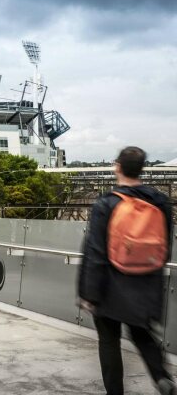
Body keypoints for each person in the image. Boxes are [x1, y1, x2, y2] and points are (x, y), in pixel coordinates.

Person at [78, 146, 176, 395]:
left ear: (117, 167)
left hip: (109, 287)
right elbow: (165, 248)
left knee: (109, 343)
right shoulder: (160, 201)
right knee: (143, 336)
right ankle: (162, 378)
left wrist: (88, 294)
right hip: (145, 284)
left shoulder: (107, 203)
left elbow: (96, 252)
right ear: (141, 169)